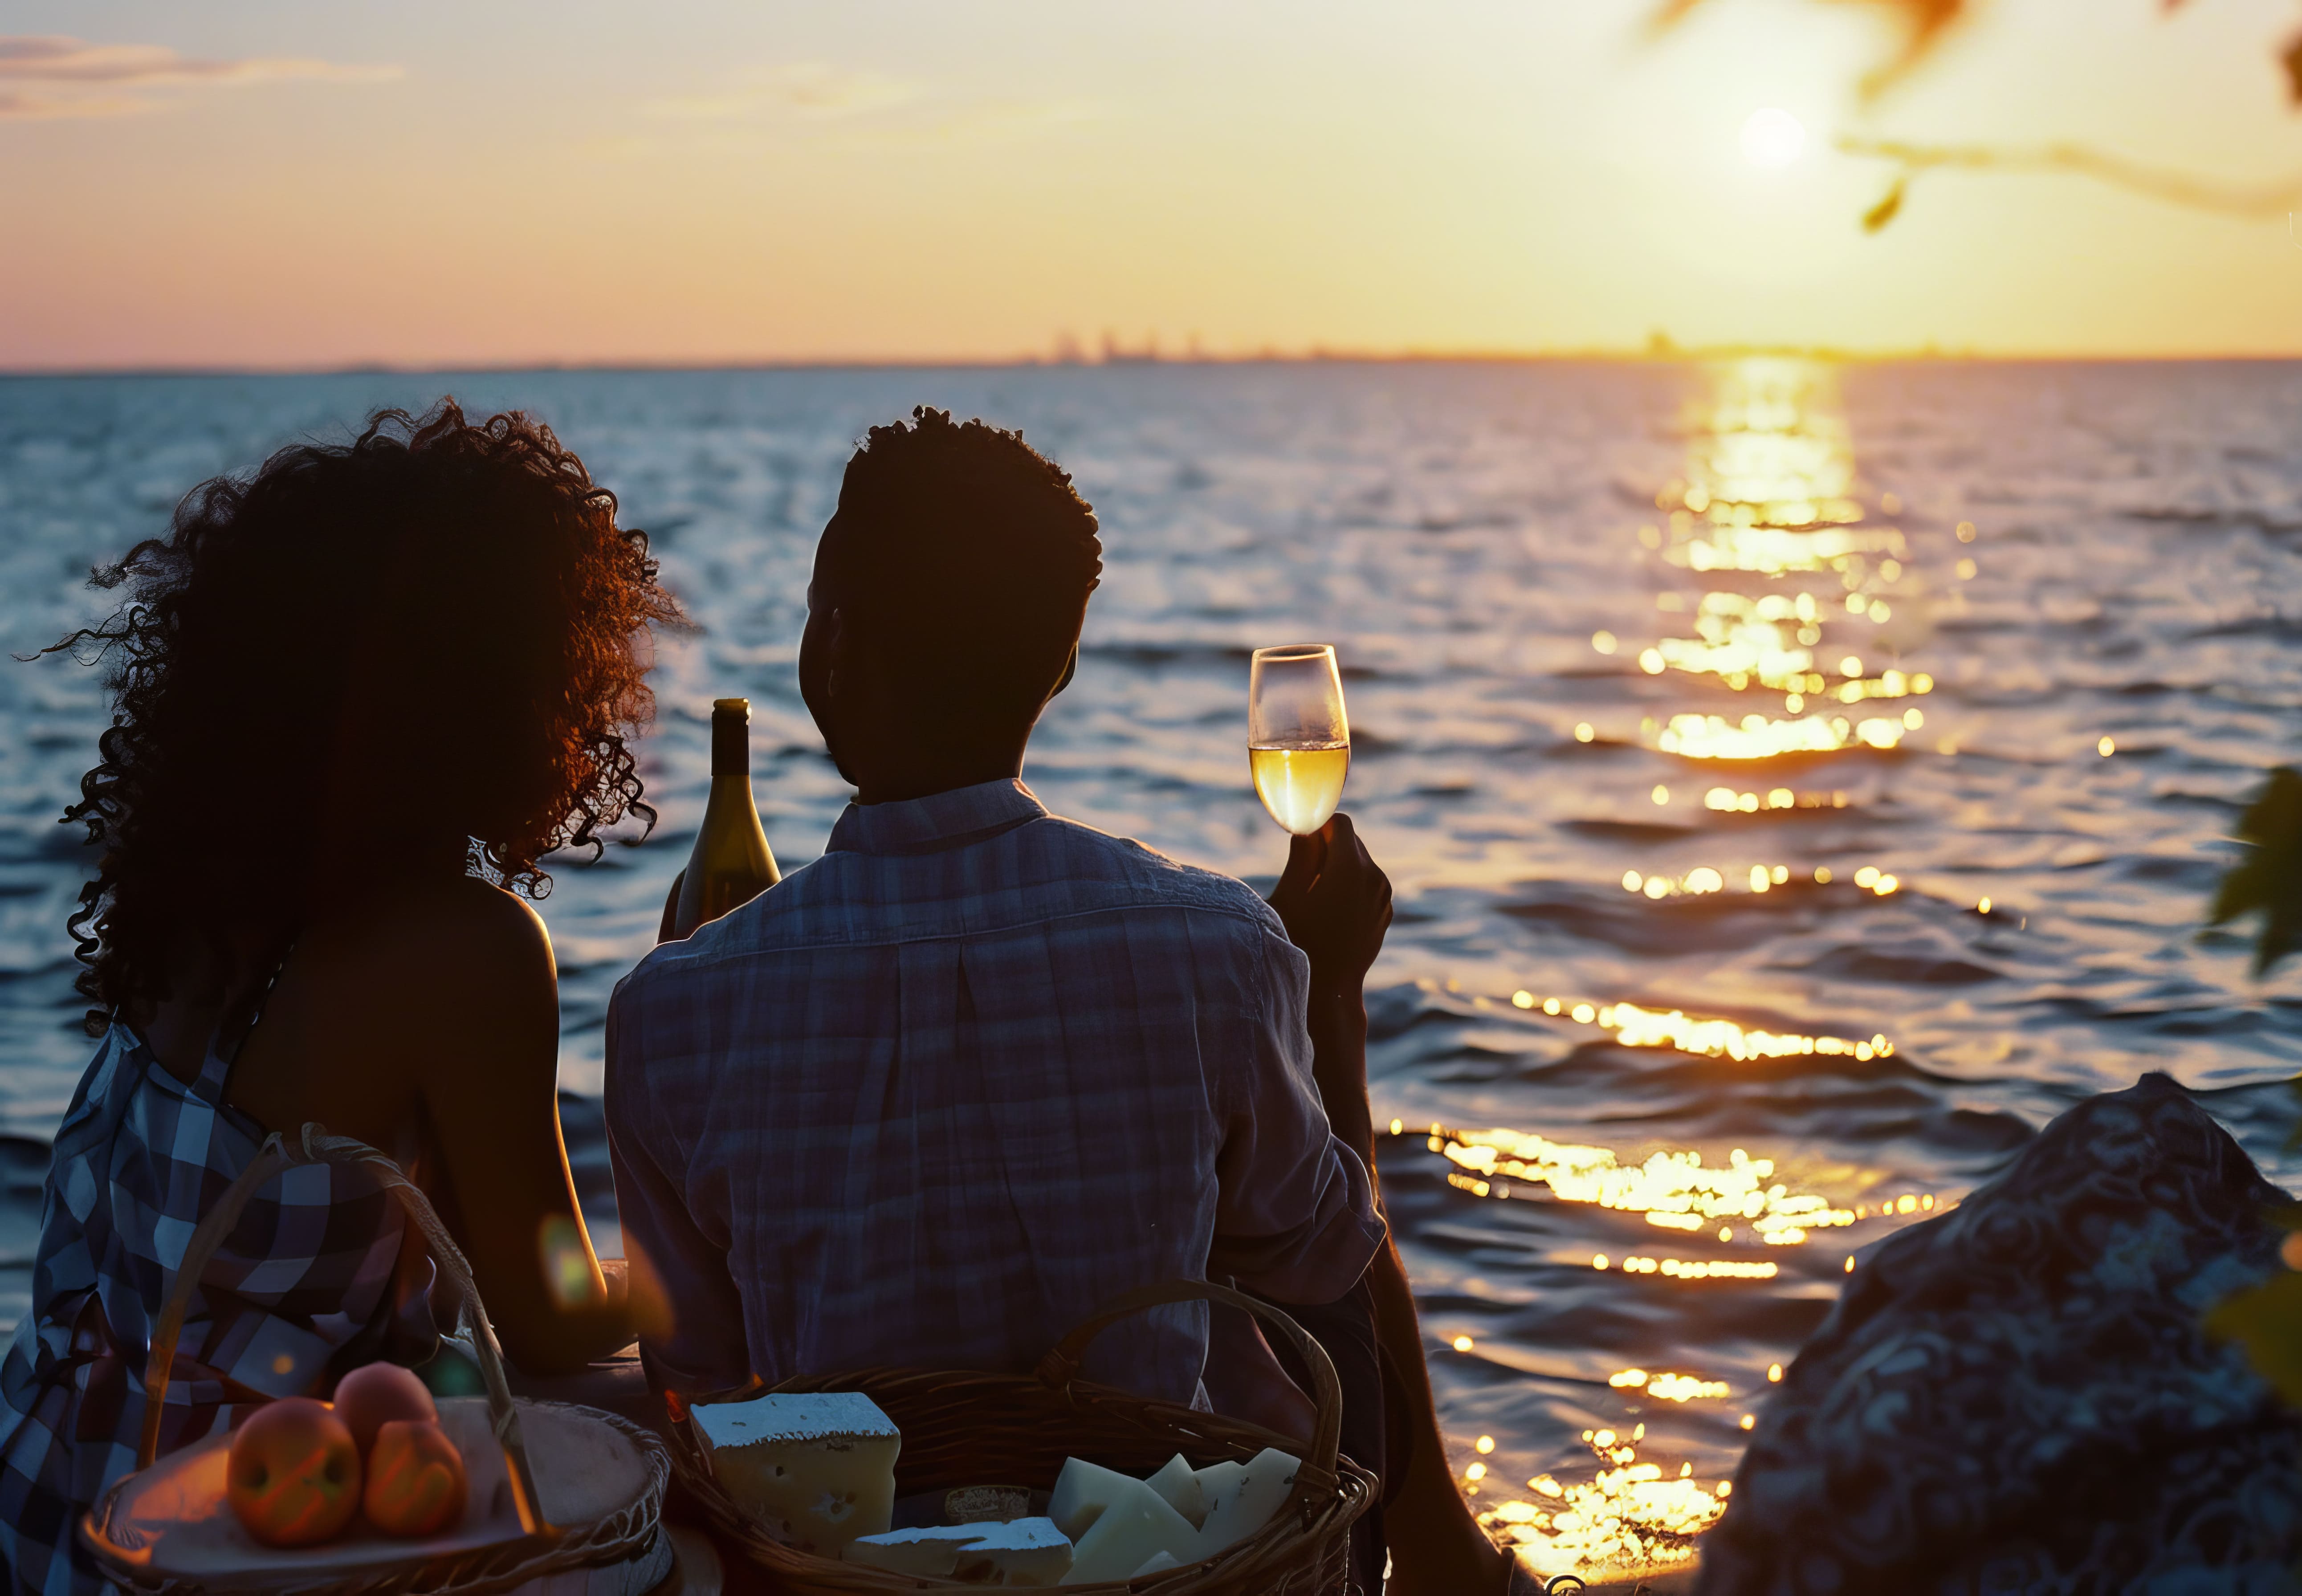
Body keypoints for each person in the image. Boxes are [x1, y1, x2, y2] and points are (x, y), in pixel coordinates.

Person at [605, 408, 1529, 1595]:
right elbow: (1321, 1258)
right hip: (1155, 1558)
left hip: (850, 1572)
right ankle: (1444, 1569)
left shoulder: (672, 1010)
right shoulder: (1220, 943)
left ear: (830, 647)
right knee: (1316, 1278)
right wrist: (1328, 1004)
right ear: (1064, 666)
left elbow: (701, 1389)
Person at [0, 403, 677, 1596]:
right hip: (246, 1551)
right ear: (508, 683)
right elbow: (553, 1315)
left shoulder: (204, 902)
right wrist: (705, 1261)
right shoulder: (461, 949)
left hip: (60, 1497)